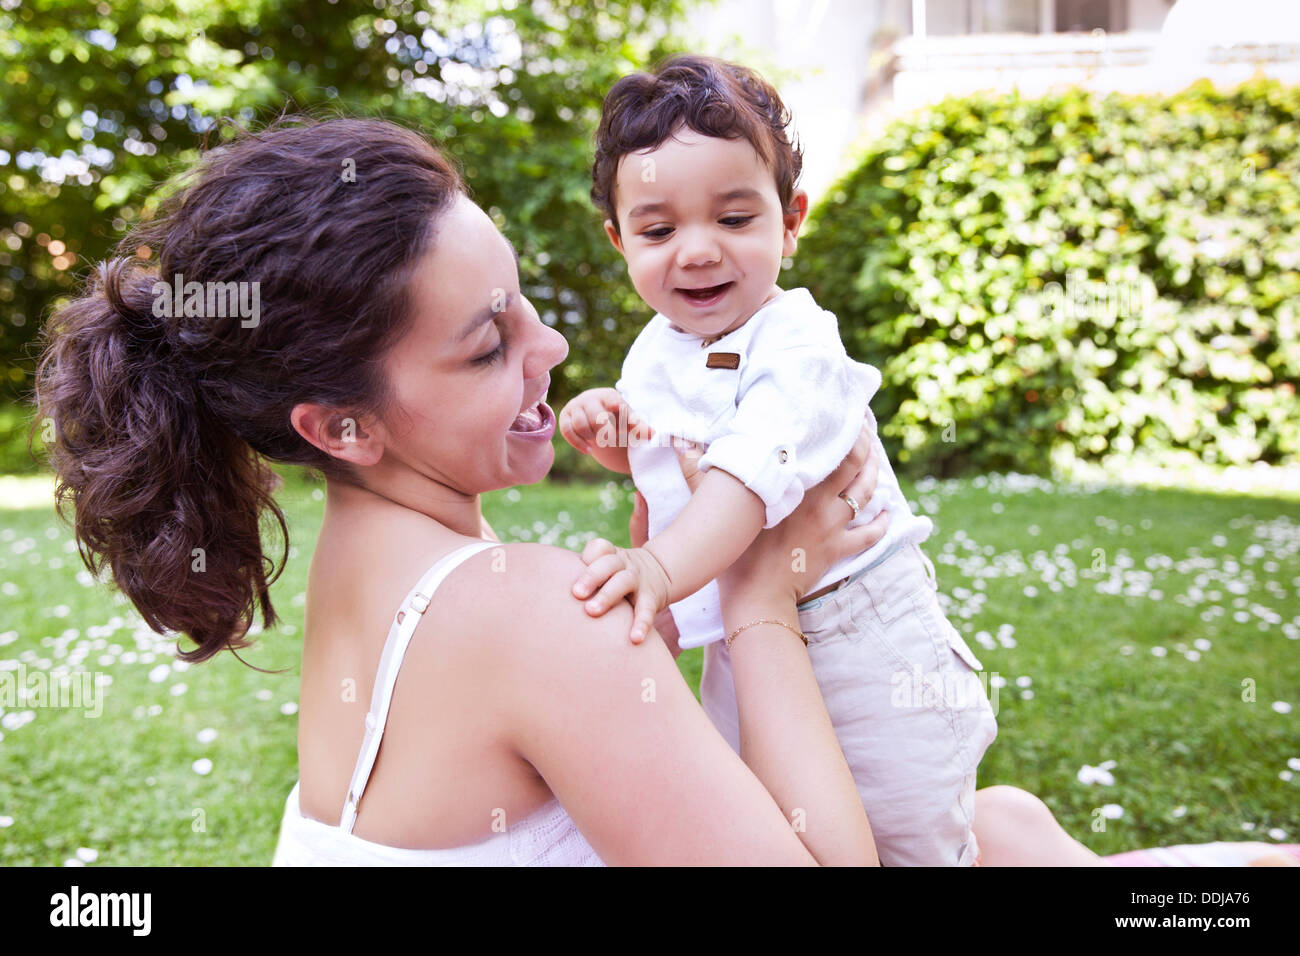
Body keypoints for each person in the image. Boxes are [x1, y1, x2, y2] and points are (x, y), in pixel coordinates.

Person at [35, 115, 1101, 866]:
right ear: (340, 426)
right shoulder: (532, 613)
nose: (549, 344)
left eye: (524, 302)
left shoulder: (368, 569)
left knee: (1003, 822)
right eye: (488, 343)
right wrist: (759, 594)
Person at [559, 54, 997, 865]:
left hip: (861, 628)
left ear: (789, 222)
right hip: (742, 624)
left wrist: (656, 568)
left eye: (734, 219)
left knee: (904, 824)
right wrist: (620, 440)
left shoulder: (796, 342)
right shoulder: (658, 351)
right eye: (659, 230)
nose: (696, 252)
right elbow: (676, 463)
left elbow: (744, 478)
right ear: (620, 241)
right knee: (773, 808)